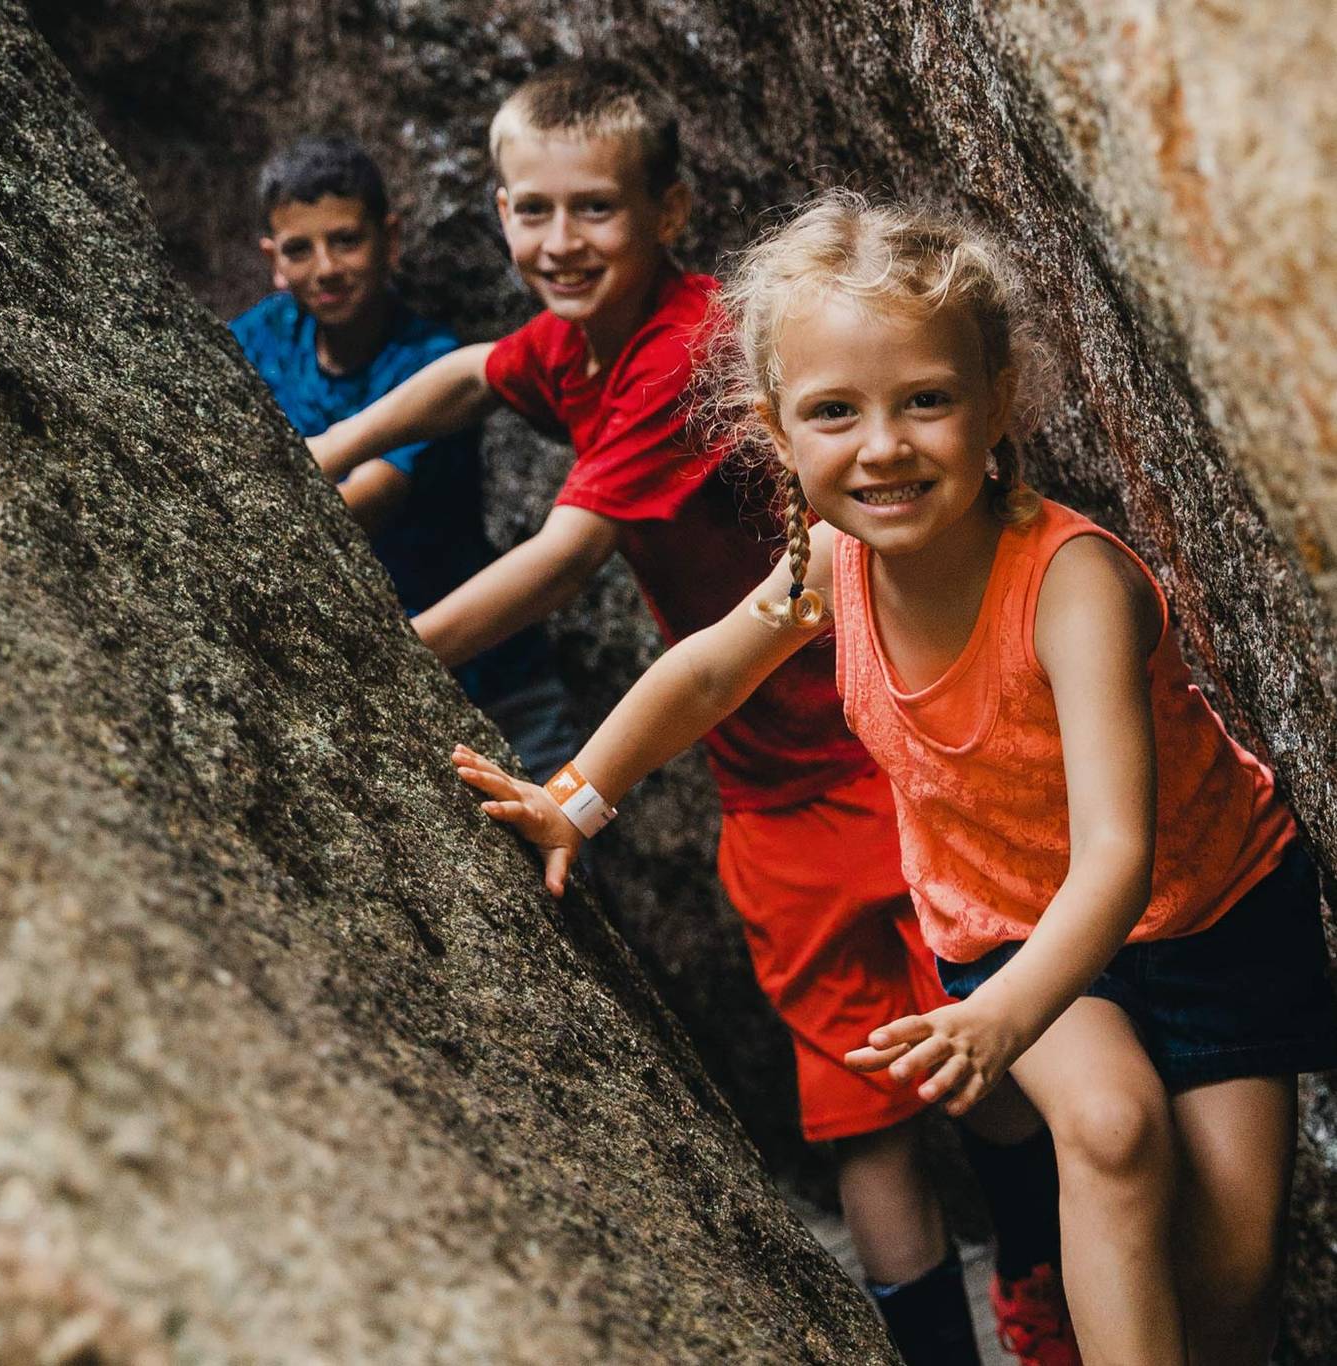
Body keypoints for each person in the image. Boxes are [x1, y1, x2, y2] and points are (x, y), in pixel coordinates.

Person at [453, 188, 1337, 1366]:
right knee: (1114, 1131)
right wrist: (575, 799)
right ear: (775, 430)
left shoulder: (1073, 586)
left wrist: (993, 1026)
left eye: (926, 400)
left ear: (994, 404)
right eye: (835, 410)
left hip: (1213, 906)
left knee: (1233, 1276)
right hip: (1011, 924)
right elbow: (706, 675)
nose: (884, 445)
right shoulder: (831, 561)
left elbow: (1118, 855)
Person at [310, 64, 1075, 1365]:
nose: (559, 243)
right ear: (496, 211)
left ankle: (1039, 1307)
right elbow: (463, 378)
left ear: (669, 208)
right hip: (772, 783)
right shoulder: (580, 338)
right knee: (865, 1108)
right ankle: (993, 1328)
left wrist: (382, 657)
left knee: (981, 1061)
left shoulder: (687, 350)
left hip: (885, 748)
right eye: (531, 211)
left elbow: (566, 555)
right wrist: (317, 456)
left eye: (594, 209)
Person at [231, 135, 571, 779]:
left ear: (390, 238)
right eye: (300, 249)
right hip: (369, 663)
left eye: (346, 240)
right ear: (274, 260)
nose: (326, 267)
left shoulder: (427, 362)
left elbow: (366, 504)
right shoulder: (262, 337)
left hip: (494, 680)